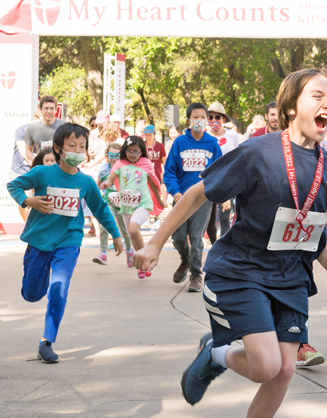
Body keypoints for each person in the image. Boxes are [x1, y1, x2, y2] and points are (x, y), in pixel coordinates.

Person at [133, 68, 327, 418]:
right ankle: (216, 353)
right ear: (292, 104)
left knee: (285, 370)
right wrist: (155, 244)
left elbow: (309, 229)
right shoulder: (257, 152)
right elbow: (197, 195)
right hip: (241, 270)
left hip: (290, 276)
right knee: (264, 365)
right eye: (318, 95)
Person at [7, 123, 123, 364]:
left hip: (68, 242)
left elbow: (101, 209)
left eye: (82, 147)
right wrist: (29, 202)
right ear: (58, 148)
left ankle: (47, 341)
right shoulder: (42, 173)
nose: (77, 151)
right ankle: (39, 281)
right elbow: (14, 185)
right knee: (31, 294)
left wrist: (116, 234)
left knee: (58, 288)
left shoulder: (87, 182)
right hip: (39, 241)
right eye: (72, 146)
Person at [162, 103, 223, 292]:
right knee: (179, 237)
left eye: (203, 117)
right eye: (195, 118)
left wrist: (216, 192)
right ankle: (185, 260)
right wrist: (175, 191)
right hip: (181, 198)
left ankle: (196, 274)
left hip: (203, 199)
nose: (200, 121)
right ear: (189, 121)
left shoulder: (212, 144)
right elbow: (169, 171)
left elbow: (220, 170)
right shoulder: (179, 142)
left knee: (196, 237)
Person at [101, 136, 163, 278]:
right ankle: (141, 262)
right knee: (132, 235)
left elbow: (153, 182)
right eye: (129, 151)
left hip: (143, 204)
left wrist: (159, 199)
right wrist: (106, 184)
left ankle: (144, 261)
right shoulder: (120, 164)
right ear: (124, 151)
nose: (132, 154)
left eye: (136, 151)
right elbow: (111, 177)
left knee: (133, 230)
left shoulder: (146, 163)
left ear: (141, 151)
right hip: (127, 207)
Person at [206, 102, 238, 242]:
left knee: (225, 218)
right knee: (210, 221)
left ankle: (222, 249)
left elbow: (238, 156)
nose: (214, 121)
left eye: (217, 117)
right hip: (208, 181)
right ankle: (214, 246)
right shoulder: (204, 137)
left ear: (223, 119)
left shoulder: (232, 135)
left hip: (227, 180)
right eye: (210, 117)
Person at [93, 141, 127, 265]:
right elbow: (96, 185)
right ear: (107, 156)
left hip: (124, 204)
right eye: (111, 156)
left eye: (117, 156)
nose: (113, 159)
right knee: (104, 224)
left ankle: (129, 251)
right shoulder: (104, 169)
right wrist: (95, 196)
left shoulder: (125, 168)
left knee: (125, 230)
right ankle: (103, 253)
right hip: (109, 202)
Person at [23, 95, 63, 167]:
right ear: (40, 110)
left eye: (52, 108)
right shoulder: (32, 128)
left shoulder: (63, 126)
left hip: (59, 168)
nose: (49, 111)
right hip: (41, 168)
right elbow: (28, 150)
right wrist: (36, 161)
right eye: (46, 108)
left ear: (56, 110)